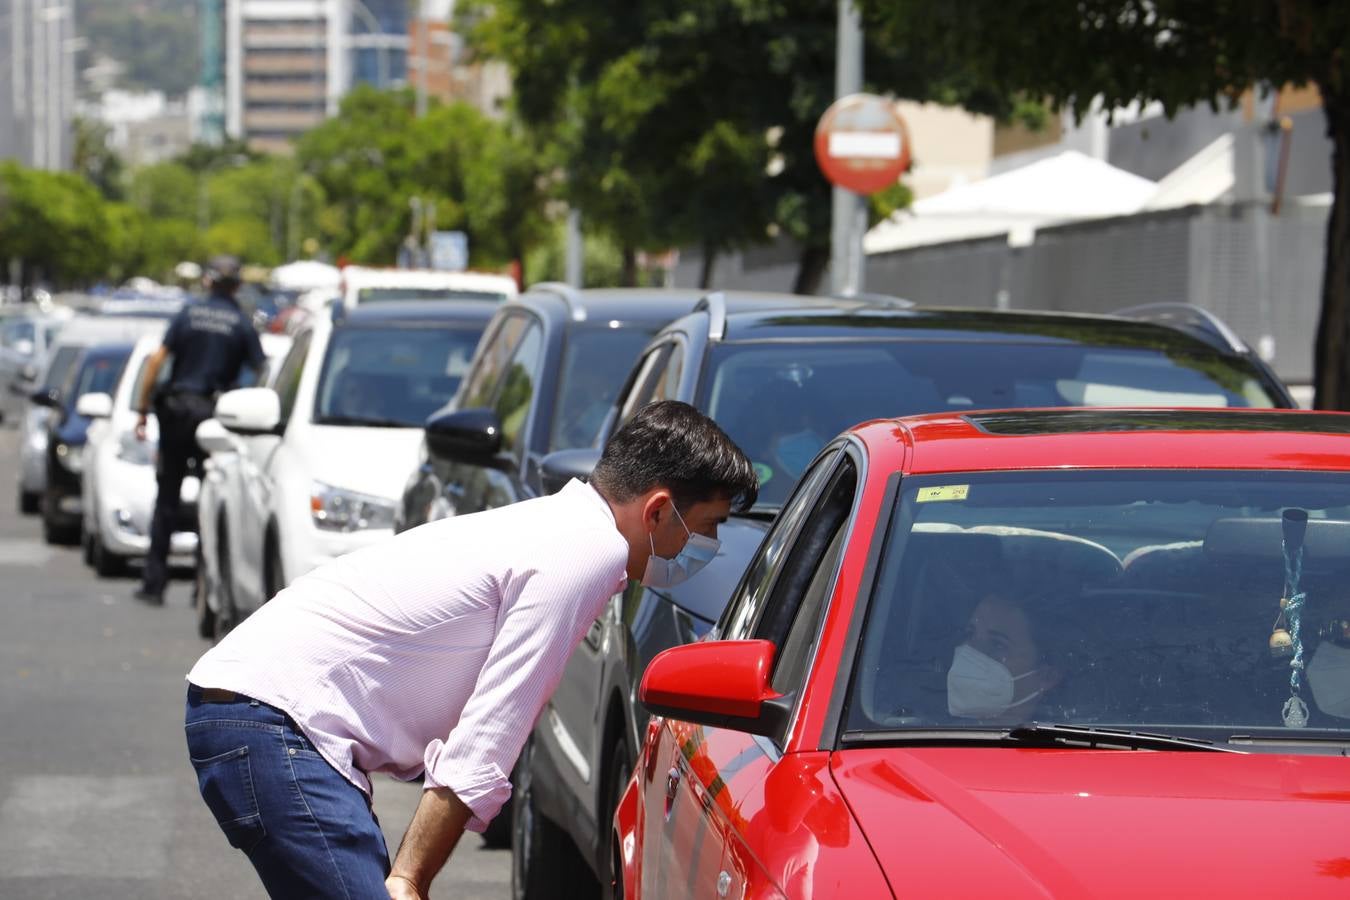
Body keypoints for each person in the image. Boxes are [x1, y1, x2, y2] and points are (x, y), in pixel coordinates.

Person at [183, 400, 757, 899]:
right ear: (657, 510)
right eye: (707, 527)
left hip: (262, 713)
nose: (706, 547)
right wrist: (409, 877)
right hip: (270, 719)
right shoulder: (585, 553)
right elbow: (486, 741)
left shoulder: (560, 526)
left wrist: (408, 875)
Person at [134, 255, 265, 605]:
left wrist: (142, 409)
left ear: (207, 282)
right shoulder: (241, 322)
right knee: (211, 501)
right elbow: (259, 372)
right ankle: (204, 587)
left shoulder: (188, 313)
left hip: (176, 412)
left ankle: (154, 584)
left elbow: (156, 361)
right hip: (212, 416)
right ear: (237, 286)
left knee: (167, 500)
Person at [946, 592, 1062, 725]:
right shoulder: (927, 733)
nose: (972, 652)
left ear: (1047, 676)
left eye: (997, 644)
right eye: (970, 633)